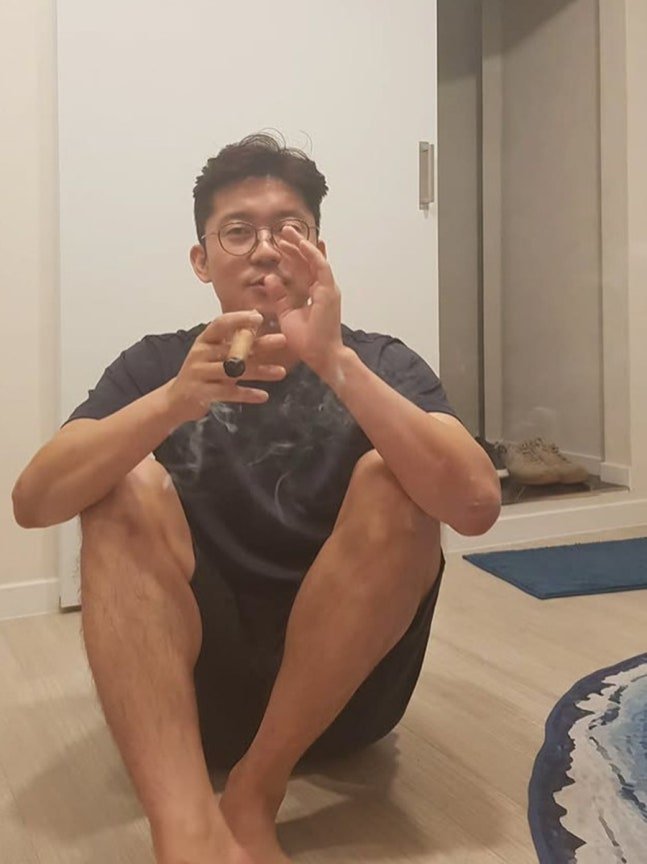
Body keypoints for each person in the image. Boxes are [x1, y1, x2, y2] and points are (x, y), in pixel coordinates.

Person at [12, 133, 501, 864]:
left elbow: (474, 506)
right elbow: (35, 502)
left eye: (289, 229)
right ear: (201, 260)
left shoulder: (380, 361)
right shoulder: (157, 365)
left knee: (393, 483)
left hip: (345, 701)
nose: (266, 250)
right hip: (191, 705)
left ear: (320, 252)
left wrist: (334, 362)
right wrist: (173, 401)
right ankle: (184, 830)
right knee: (121, 486)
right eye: (238, 231)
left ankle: (254, 791)